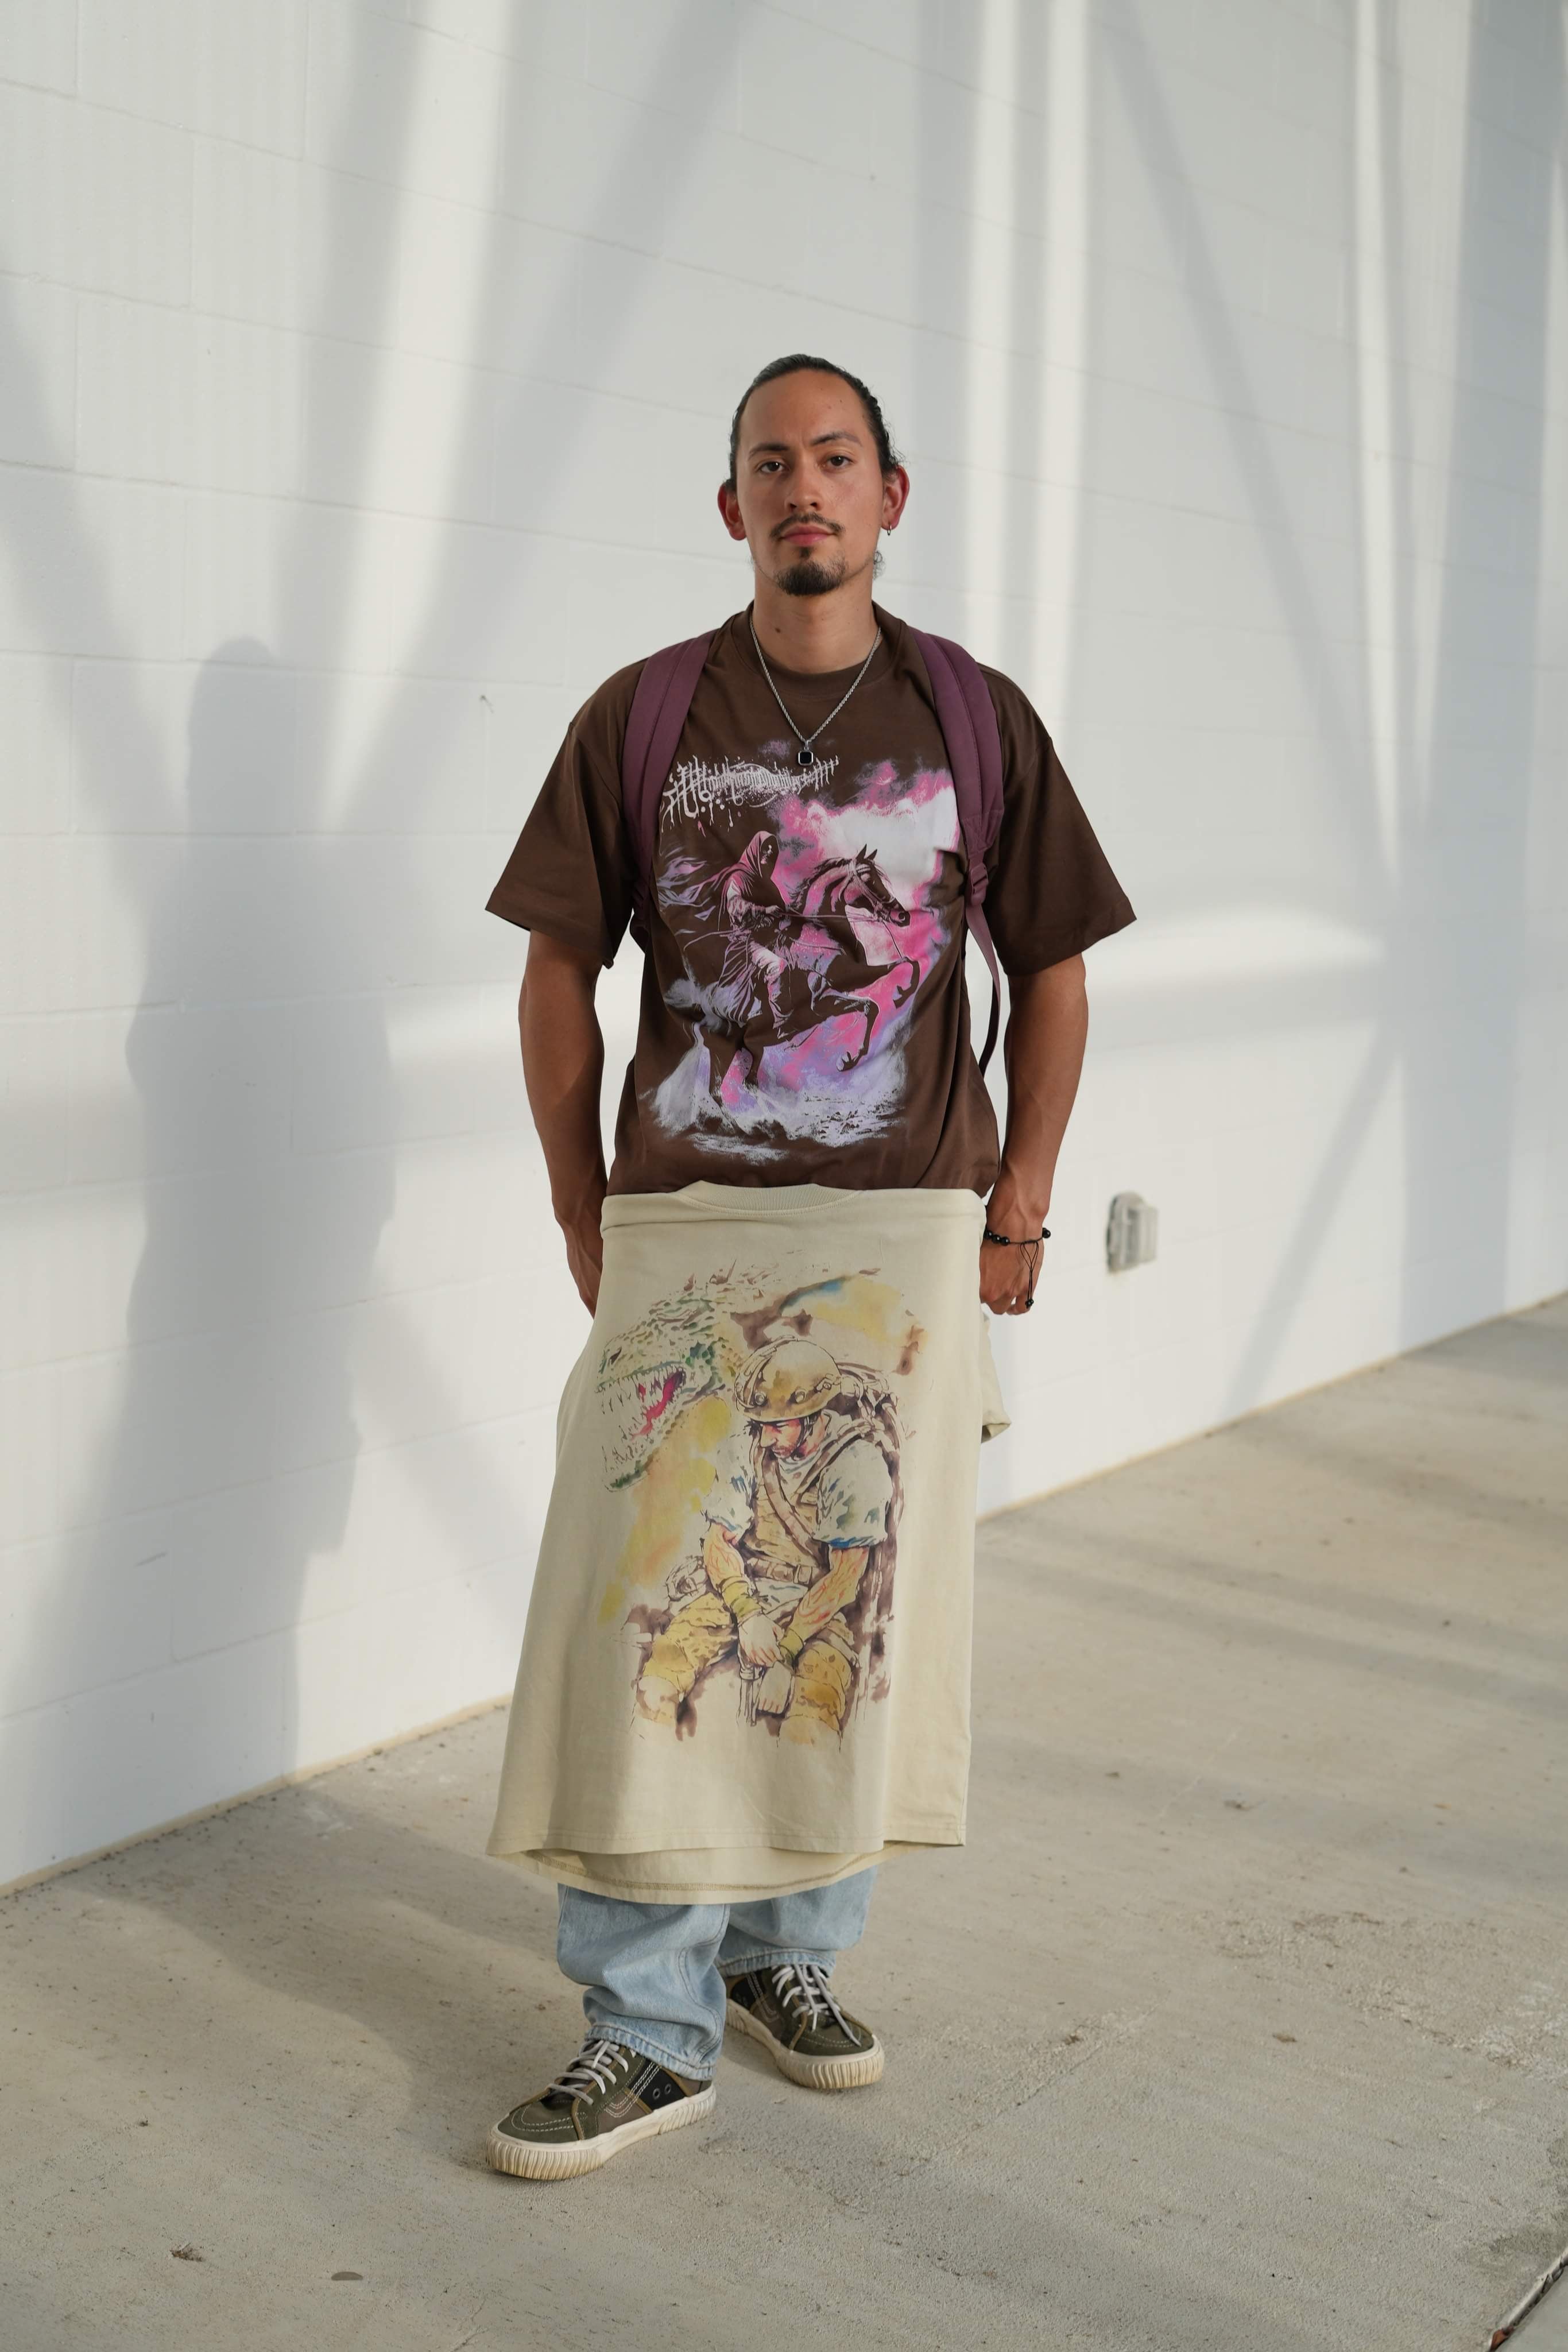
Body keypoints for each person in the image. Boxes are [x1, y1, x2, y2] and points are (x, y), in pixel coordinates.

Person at [481, 355, 1135, 2181]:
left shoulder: (971, 715)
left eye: (834, 459)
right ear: (732, 507)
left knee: (843, 1604)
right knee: (650, 1622)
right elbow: (556, 969)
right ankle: (645, 2028)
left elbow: (1055, 969)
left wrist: (1019, 1201)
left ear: (887, 496)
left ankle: (790, 1954)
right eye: (769, 463)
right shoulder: (643, 715)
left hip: (900, 1229)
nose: (803, 489)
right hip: (689, 1219)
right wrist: (575, 1196)